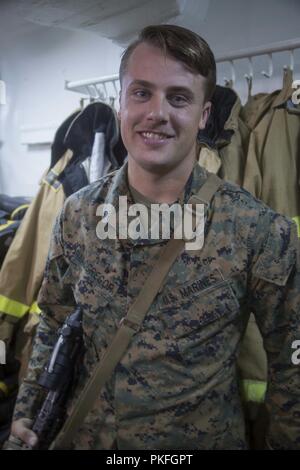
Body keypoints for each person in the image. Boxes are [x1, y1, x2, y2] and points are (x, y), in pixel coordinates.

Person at [9, 24, 300, 450]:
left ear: (203, 116)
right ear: (121, 102)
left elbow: (292, 363)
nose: (156, 113)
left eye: (178, 97)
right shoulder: (77, 215)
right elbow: (53, 319)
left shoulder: (256, 229)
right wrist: (26, 411)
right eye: (141, 93)